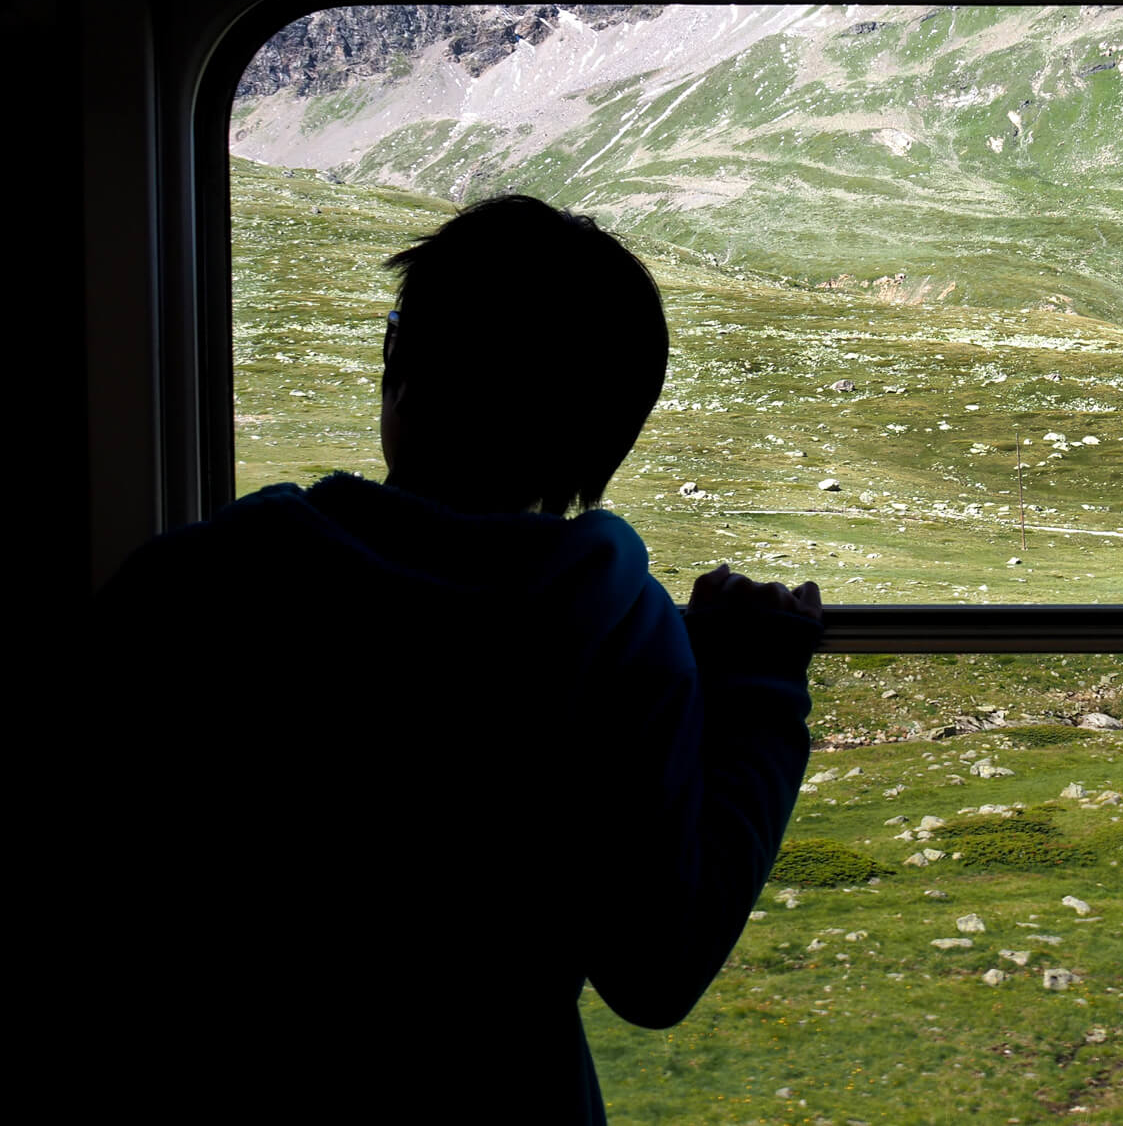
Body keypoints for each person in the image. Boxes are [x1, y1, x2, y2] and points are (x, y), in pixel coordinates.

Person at [91, 196, 822, 1122]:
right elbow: (655, 969)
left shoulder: (187, 587)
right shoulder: (621, 633)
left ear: (401, 363)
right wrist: (757, 693)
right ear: (606, 439)